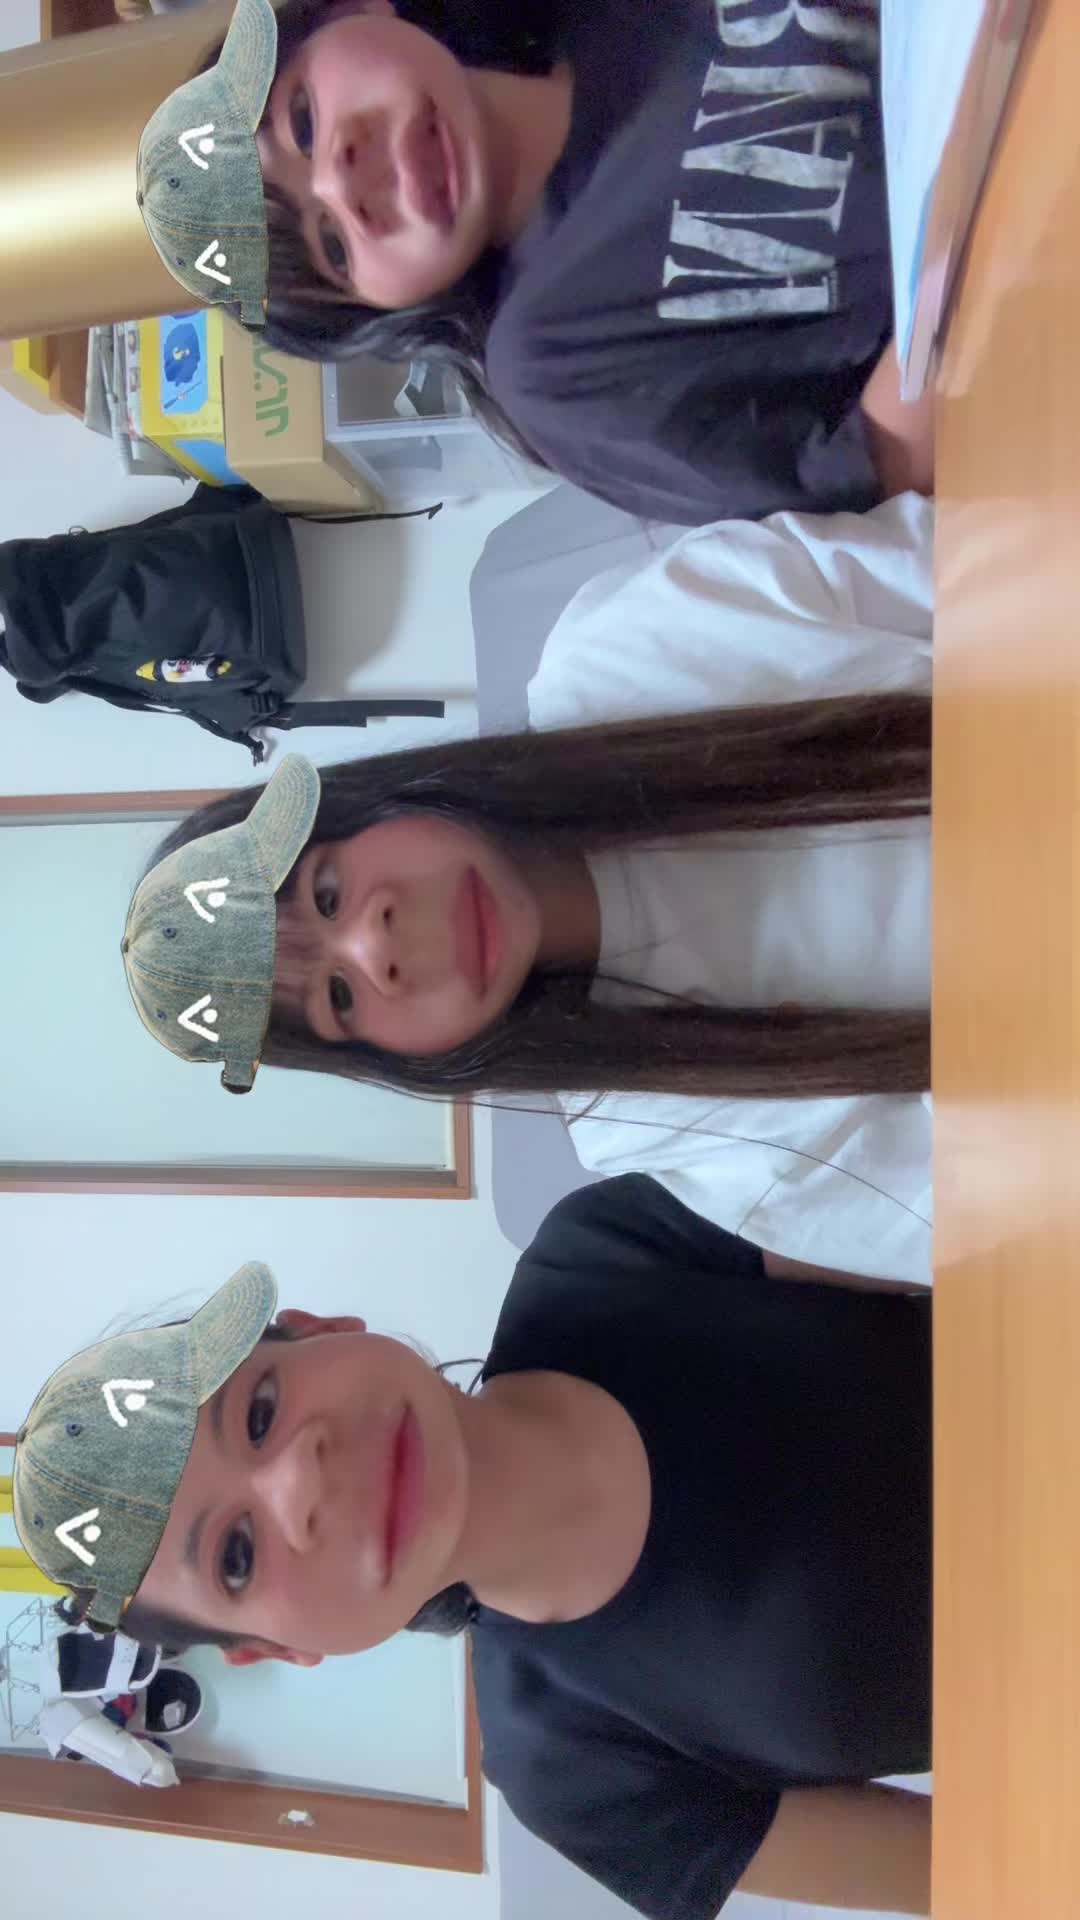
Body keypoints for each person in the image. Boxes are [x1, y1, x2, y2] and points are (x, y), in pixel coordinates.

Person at [12, 1173, 932, 1915]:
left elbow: (960, 1231)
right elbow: (970, 1871)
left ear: (324, 1330)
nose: (300, 1481)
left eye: (259, 1412)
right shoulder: (567, 1775)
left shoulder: (604, 1251)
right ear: (280, 1649)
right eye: (236, 1557)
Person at [121, 492, 933, 1284]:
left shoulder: (628, 652)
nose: (375, 945)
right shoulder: (650, 1120)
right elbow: (979, 1204)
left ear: (357, 808)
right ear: (383, 1057)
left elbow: (970, 564)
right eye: (339, 996)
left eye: (326, 893)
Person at [134, 0, 934, 523]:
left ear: (350, 11)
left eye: (303, 122)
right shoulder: (552, 364)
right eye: (334, 248)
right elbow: (890, 461)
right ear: (382, 309)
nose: (345, 185)